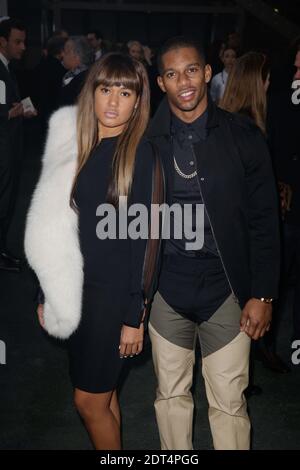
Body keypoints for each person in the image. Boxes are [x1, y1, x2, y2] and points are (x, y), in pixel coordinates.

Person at [24, 52, 163, 450]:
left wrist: (136, 314)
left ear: (139, 100)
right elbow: (56, 226)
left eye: (125, 91)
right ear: (92, 92)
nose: (114, 101)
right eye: (106, 89)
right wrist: (47, 290)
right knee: (105, 395)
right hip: (77, 292)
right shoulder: (78, 147)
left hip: (113, 298)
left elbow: (149, 242)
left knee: (87, 401)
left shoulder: (141, 155)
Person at [147, 36, 280, 450]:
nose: (183, 81)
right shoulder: (146, 143)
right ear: (160, 83)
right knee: (170, 398)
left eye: (191, 69)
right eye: (171, 73)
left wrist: (264, 294)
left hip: (227, 290)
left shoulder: (243, 135)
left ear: (207, 73)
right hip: (166, 291)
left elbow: (264, 221)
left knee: (228, 403)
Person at [0, 18, 35, 271]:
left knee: (8, 202)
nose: (23, 47)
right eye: (17, 41)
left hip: (10, 148)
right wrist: (13, 112)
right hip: (3, 151)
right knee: (3, 202)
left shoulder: (8, 68)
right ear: (2, 42)